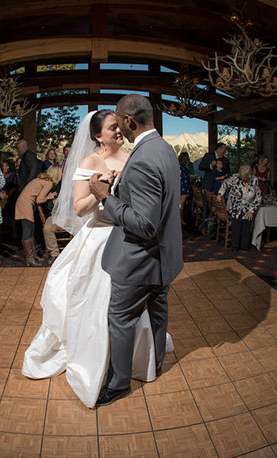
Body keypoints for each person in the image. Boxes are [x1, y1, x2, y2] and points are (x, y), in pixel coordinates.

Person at [23, 106, 177, 409]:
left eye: (119, 126)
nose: (119, 131)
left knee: (128, 305)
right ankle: (98, 357)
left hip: (131, 238)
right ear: (97, 135)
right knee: (97, 305)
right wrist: (100, 190)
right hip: (101, 238)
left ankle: (134, 359)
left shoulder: (135, 156)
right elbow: (79, 208)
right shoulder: (90, 161)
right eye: (111, 128)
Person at [88, 95, 183, 407]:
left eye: (120, 122)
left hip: (139, 259)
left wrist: (106, 197)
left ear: (129, 121)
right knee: (158, 309)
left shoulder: (141, 158)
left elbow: (144, 224)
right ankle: (153, 365)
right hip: (164, 257)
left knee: (121, 316)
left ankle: (118, 384)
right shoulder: (165, 149)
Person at [15, 166, 61, 266]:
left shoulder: (42, 180)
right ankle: (29, 258)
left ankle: (34, 256)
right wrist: (49, 197)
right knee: (27, 231)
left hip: (25, 203)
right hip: (25, 204)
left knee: (31, 229)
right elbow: (39, 200)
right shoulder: (48, 183)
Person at [219, 165, 263, 252]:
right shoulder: (235, 178)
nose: (242, 178)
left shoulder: (254, 181)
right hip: (236, 206)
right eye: (241, 176)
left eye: (244, 177)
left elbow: (258, 197)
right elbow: (225, 184)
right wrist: (220, 194)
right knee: (236, 226)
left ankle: (244, 246)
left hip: (248, 207)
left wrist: (251, 210)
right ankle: (235, 246)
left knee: (246, 227)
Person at [198, 143, 229, 230]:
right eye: (224, 149)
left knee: (219, 206)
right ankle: (204, 226)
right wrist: (210, 166)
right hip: (208, 185)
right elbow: (201, 166)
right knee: (206, 206)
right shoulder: (209, 156)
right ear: (219, 149)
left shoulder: (225, 160)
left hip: (219, 187)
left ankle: (216, 227)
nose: (225, 151)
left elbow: (227, 172)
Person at [178, 152, 192, 222]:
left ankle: (180, 219)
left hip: (178, 188)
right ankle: (180, 220)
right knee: (181, 205)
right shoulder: (183, 169)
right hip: (183, 189)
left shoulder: (178, 167)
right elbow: (185, 180)